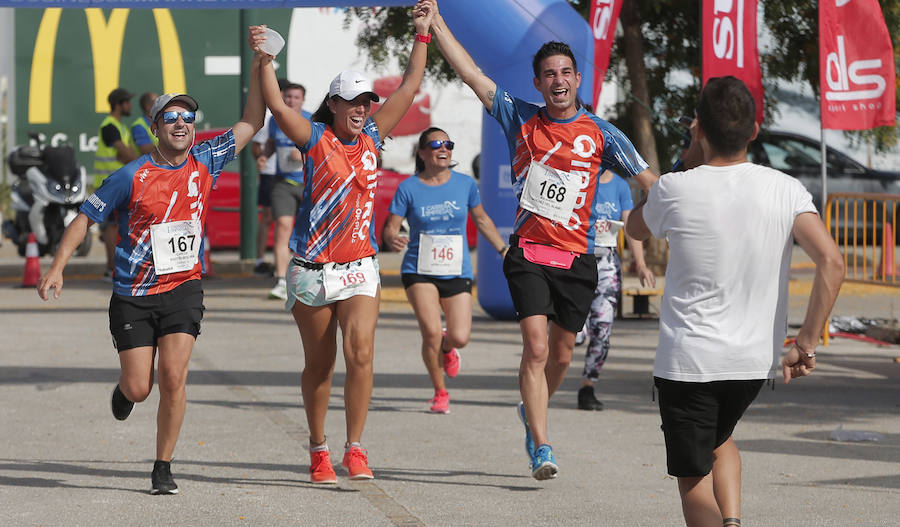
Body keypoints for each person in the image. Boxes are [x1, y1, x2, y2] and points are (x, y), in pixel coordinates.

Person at [428, 0, 657, 480]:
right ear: (536, 83)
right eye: (549, 73)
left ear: (578, 79)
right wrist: (437, 25)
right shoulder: (521, 119)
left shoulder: (602, 134)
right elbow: (472, 73)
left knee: (561, 354)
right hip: (528, 254)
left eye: (566, 72)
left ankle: (531, 410)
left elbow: (650, 183)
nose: (558, 80)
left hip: (577, 261)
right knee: (535, 348)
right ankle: (541, 442)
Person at [37, 28, 268, 495]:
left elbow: (253, 119)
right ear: (157, 126)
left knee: (174, 377)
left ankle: (163, 465)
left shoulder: (207, 160)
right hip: (134, 296)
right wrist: (57, 265)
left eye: (188, 116)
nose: (181, 123)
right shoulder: (131, 175)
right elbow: (84, 218)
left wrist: (263, 61)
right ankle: (124, 393)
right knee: (141, 387)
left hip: (183, 288)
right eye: (171, 117)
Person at [625, 76, 844, 527]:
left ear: (698, 128)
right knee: (721, 438)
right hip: (751, 364)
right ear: (755, 130)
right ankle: (734, 521)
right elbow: (832, 262)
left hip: (689, 365)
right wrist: (806, 342)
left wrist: (684, 163)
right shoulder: (787, 189)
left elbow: (634, 228)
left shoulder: (675, 188)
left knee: (693, 479)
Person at [256, 0, 433, 485]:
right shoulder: (313, 138)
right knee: (321, 363)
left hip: (359, 267)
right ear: (333, 104)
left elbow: (411, 84)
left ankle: (355, 448)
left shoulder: (375, 137)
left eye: (366, 103)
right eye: (352, 102)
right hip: (312, 268)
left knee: (361, 353)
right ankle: (318, 449)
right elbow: (274, 105)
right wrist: (266, 59)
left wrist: (422, 31)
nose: (361, 110)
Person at [382, 127, 508, 414]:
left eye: (448, 144)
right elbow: (390, 228)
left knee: (460, 337)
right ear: (422, 153)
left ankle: (449, 348)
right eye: (436, 144)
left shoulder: (465, 184)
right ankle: (440, 392)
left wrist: (504, 250)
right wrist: (392, 238)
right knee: (430, 332)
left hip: (456, 269)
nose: (444, 148)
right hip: (419, 268)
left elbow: (482, 220)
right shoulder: (409, 187)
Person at [575, 169, 655, 411]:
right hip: (578, 261)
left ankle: (587, 388)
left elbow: (631, 228)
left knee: (603, 329)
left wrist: (640, 264)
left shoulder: (621, 187)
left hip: (607, 264)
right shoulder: (582, 179)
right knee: (576, 334)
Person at [266, 82, 312, 300]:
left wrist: (302, 154)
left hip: (309, 184)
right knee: (283, 226)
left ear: (303, 100)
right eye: (288, 97)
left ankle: (307, 277)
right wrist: (263, 156)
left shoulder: (312, 119)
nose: (292, 100)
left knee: (309, 232)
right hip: (283, 183)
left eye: (296, 97)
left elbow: (324, 149)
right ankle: (282, 280)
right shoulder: (275, 121)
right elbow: (271, 144)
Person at [95, 88, 139, 282]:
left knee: (117, 227)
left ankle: (115, 267)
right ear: (119, 105)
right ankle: (111, 269)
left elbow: (125, 154)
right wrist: (144, 166)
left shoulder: (120, 127)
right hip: (108, 184)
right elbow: (124, 153)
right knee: (111, 229)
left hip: (118, 183)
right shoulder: (110, 126)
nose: (130, 106)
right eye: (127, 102)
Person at [250, 78, 290, 277]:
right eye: (285, 93)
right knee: (267, 217)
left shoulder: (296, 116)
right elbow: (256, 146)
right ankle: (260, 260)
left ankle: (283, 263)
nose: (288, 98)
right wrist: (262, 159)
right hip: (270, 174)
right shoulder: (268, 117)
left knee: (286, 220)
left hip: (290, 175)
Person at [131, 92, 160, 156]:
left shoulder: (160, 122)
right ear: (148, 106)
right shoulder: (139, 126)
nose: (160, 106)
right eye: (157, 103)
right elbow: (146, 149)